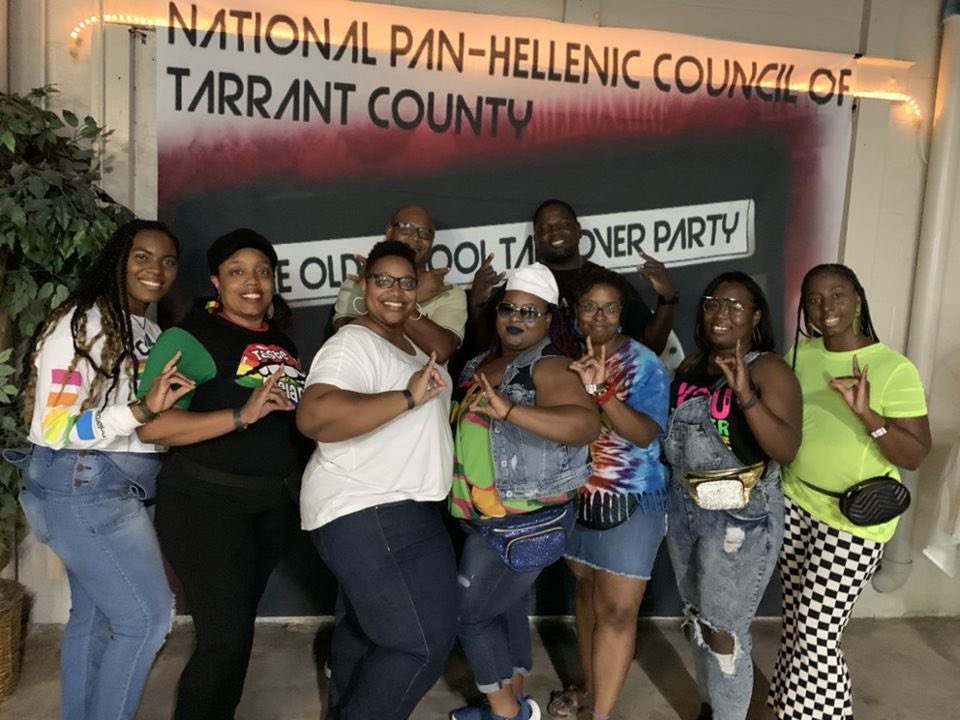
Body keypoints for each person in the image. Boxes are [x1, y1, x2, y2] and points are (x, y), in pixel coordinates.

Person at [5, 219, 193, 720]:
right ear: (116, 260)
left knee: (96, 617)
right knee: (147, 620)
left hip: (121, 483)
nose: (156, 269)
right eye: (141, 256)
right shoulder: (81, 325)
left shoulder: (149, 331)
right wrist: (140, 411)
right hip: (84, 484)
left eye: (167, 260)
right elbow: (54, 426)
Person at [136, 228, 306, 720]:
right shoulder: (188, 338)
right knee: (222, 642)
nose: (252, 282)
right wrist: (239, 416)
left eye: (262, 272)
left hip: (267, 508)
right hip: (206, 507)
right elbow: (155, 428)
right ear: (216, 280)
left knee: (235, 636)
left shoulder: (278, 339)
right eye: (237, 272)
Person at [297, 239, 458, 720]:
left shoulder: (409, 342)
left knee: (365, 633)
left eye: (406, 283)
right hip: (368, 508)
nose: (395, 290)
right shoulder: (351, 343)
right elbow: (314, 415)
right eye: (383, 280)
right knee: (420, 646)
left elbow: (446, 346)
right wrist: (405, 399)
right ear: (363, 286)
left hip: (407, 507)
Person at [768, 264, 930, 720]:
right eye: (815, 299)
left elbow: (916, 454)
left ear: (858, 298)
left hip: (854, 518)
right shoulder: (801, 355)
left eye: (837, 295)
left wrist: (869, 417)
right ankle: (784, 708)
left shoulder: (894, 368)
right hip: (797, 502)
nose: (826, 308)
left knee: (816, 636)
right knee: (796, 624)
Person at [449, 263, 601, 720]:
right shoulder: (480, 363)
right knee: (506, 607)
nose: (516, 318)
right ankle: (513, 699)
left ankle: (506, 714)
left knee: (468, 615)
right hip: (484, 512)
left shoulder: (549, 365)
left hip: (525, 517)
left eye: (530, 312)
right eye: (509, 308)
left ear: (549, 320)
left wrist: (511, 410)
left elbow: (585, 424)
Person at [664, 271, 801, 720]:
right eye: (712, 303)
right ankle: (711, 708)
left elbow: (786, 449)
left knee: (724, 631)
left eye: (734, 306)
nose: (720, 313)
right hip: (684, 507)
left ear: (755, 316)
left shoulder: (767, 368)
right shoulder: (689, 367)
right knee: (698, 619)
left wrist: (745, 396)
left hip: (739, 519)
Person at [547, 267, 671, 720]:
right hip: (579, 500)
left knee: (617, 612)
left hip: (632, 500)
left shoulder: (644, 364)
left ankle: (602, 715)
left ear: (622, 312)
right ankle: (588, 686)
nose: (599, 316)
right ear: (575, 312)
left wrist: (601, 392)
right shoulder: (563, 360)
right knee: (586, 595)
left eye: (610, 307)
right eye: (589, 306)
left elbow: (642, 435)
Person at [463, 199, 677, 362]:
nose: (554, 232)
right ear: (536, 239)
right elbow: (486, 351)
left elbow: (652, 346)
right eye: (544, 229)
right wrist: (477, 305)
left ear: (578, 230)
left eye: (562, 224)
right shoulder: (524, 284)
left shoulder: (606, 283)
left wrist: (666, 298)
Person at [330, 204, 467, 363]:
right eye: (406, 228)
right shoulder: (358, 284)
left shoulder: (449, 293)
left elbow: (441, 352)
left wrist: (400, 299)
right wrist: (409, 297)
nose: (415, 238)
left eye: (425, 233)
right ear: (389, 232)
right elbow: (345, 339)